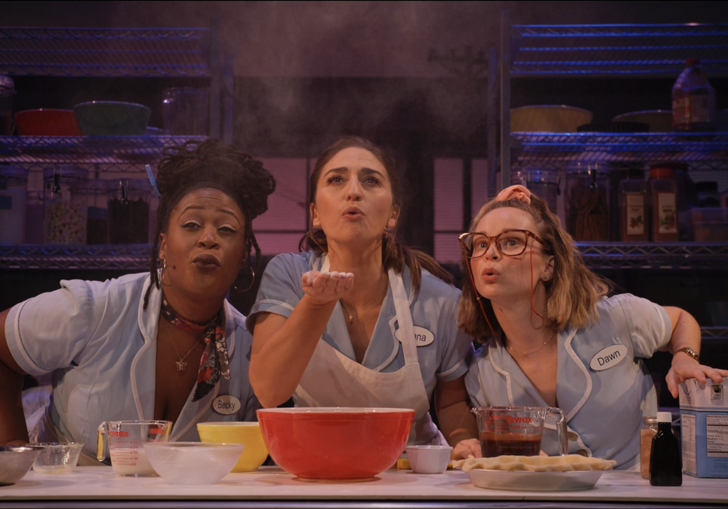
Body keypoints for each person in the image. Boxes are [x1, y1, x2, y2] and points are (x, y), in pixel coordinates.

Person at [0, 139, 276, 464]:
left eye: (227, 229)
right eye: (191, 225)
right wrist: (14, 453)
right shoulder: (96, 308)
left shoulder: (250, 352)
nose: (208, 238)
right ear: (162, 244)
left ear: (244, 255)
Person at [453, 184, 728, 468]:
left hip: (639, 494)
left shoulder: (615, 317)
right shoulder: (482, 373)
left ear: (549, 266)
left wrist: (685, 357)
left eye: (511, 241)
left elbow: (680, 319)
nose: (491, 254)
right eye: (481, 244)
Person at [247, 136, 477, 445]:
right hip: (315, 470)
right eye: (336, 179)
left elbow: (451, 403)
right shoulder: (289, 275)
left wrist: (464, 443)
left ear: (393, 213)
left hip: (411, 479)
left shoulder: (440, 300)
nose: (353, 191)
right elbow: (268, 390)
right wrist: (315, 305)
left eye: (371, 181)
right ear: (315, 212)